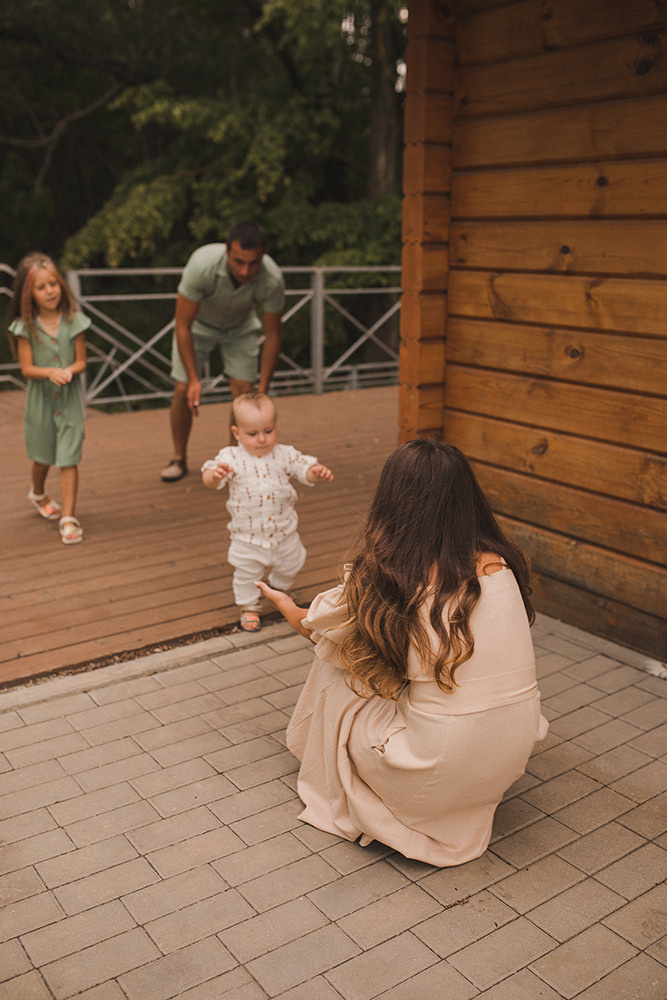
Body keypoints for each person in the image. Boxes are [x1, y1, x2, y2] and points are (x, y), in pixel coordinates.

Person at [257, 440, 549, 867]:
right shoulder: (502, 563)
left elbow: (312, 625)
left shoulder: (392, 575)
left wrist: (284, 605)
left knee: (337, 661)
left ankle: (322, 767)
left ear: (392, 500)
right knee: (388, 663)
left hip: (432, 772)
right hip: (508, 758)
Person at [161, 221, 285, 482]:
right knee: (183, 389)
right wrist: (194, 379)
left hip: (240, 328)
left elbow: (273, 335)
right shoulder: (202, 264)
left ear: (263, 254)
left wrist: (263, 388)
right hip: (198, 327)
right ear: (227, 250)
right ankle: (178, 458)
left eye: (253, 263)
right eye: (239, 261)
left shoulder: (272, 278)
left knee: (245, 392)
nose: (246, 270)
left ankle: (236, 463)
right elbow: (182, 325)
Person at [201, 391, 334, 632]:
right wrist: (214, 475)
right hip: (247, 537)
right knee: (246, 573)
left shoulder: (283, 454)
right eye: (253, 434)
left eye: (268, 431)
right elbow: (210, 477)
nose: (262, 439)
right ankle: (249, 606)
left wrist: (315, 472)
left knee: (291, 563)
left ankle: (279, 589)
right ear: (236, 433)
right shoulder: (231, 456)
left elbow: (302, 466)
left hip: (284, 531)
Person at [8, 252, 89, 545]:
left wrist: (68, 370)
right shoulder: (24, 328)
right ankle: (38, 492)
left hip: (69, 402)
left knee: (69, 457)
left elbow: (81, 361)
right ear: (28, 293)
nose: (51, 291)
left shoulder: (74, 321)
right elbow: (27, 369)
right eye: (42, 287)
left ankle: (69, 517)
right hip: (41, 402)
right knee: (42, 456)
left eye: (54, 283)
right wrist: (50, 372)